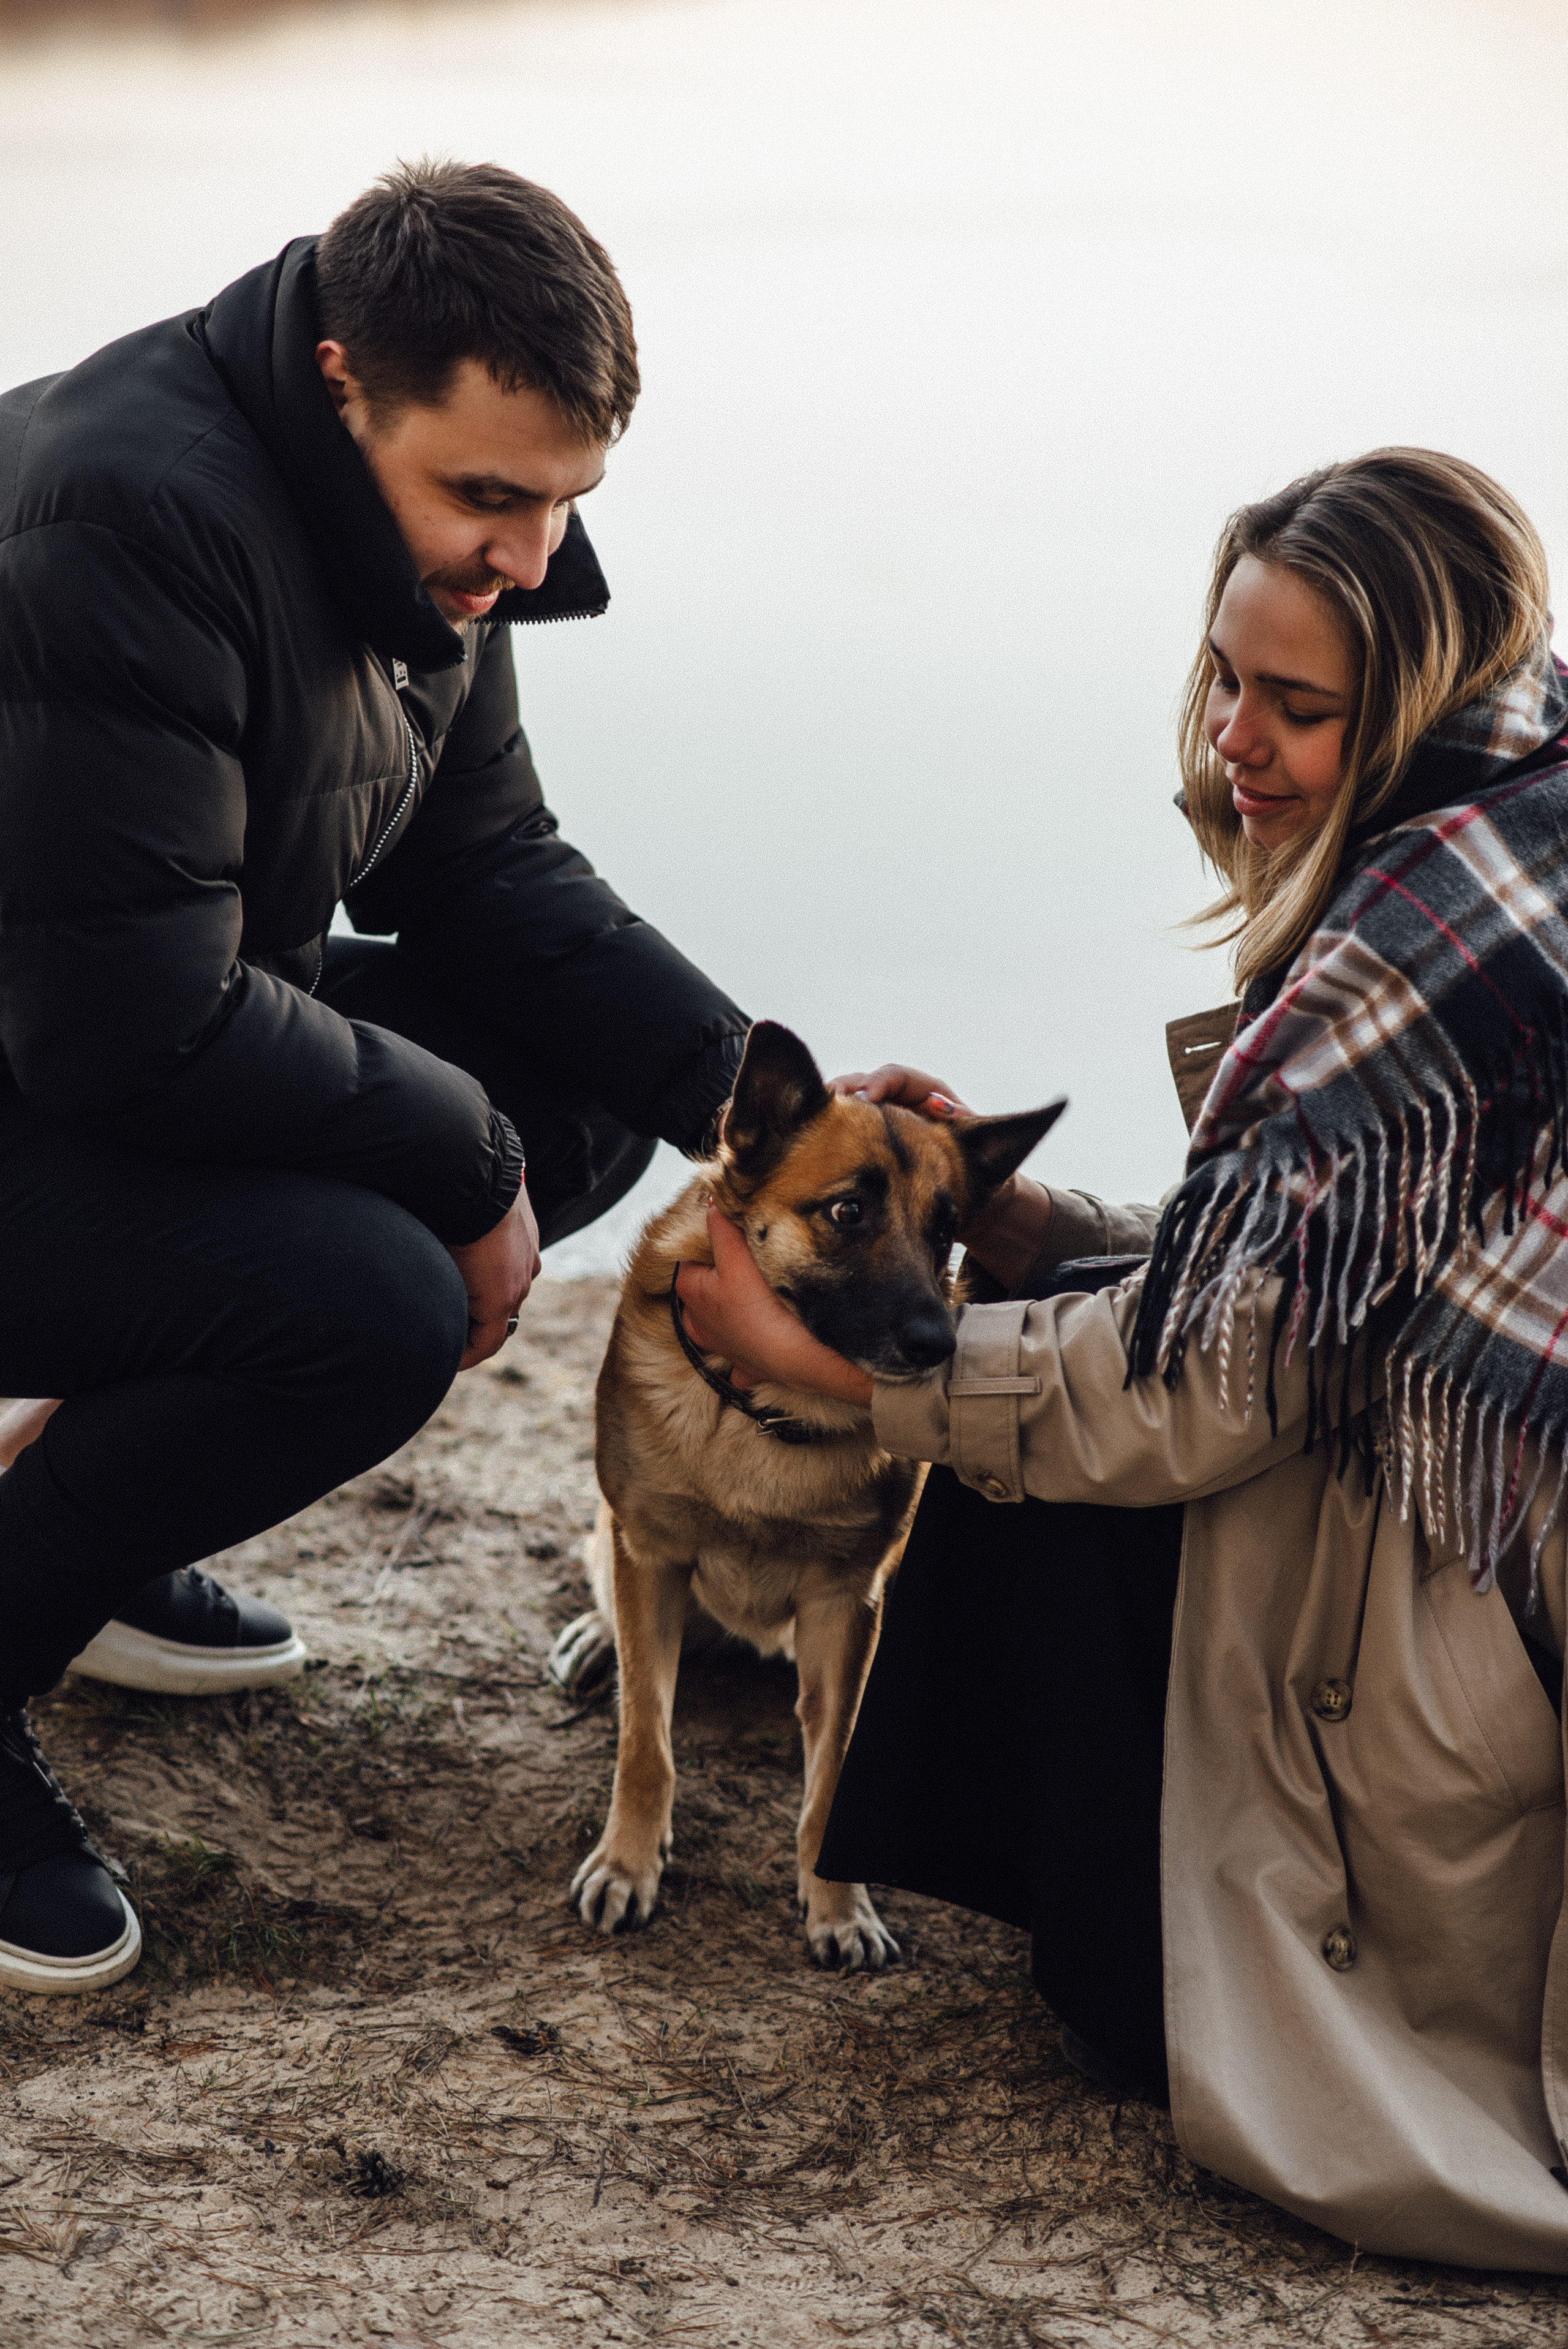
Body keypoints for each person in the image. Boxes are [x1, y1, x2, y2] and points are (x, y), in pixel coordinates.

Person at [676, 448, 1568, 2269]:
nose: (1233, 739)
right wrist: (1015, 1226)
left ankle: (1127, 1965)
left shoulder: (1413, 951)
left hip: (1464, 1641)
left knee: (1027, 1434)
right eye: (1225, 678)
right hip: (1487, 1552)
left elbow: (1215, 1393)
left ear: (1412, 697)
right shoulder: (1515, 837)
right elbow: (1319, 1279)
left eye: (1296, 705)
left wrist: (852, 1376)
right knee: (1049, 1320)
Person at [0, 161, 746, 1993]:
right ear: (344, 381)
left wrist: (763, 1108)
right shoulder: (126, 518)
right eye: (490, 496)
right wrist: (467, 1159)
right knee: (372, 1303)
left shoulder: (417, 543)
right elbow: (126, 1025)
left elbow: (487, 871)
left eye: (565, 503)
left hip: (90, 1040)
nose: (533, 558)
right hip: (76, 1038)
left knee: (587, 1079)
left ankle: (92, 1520)